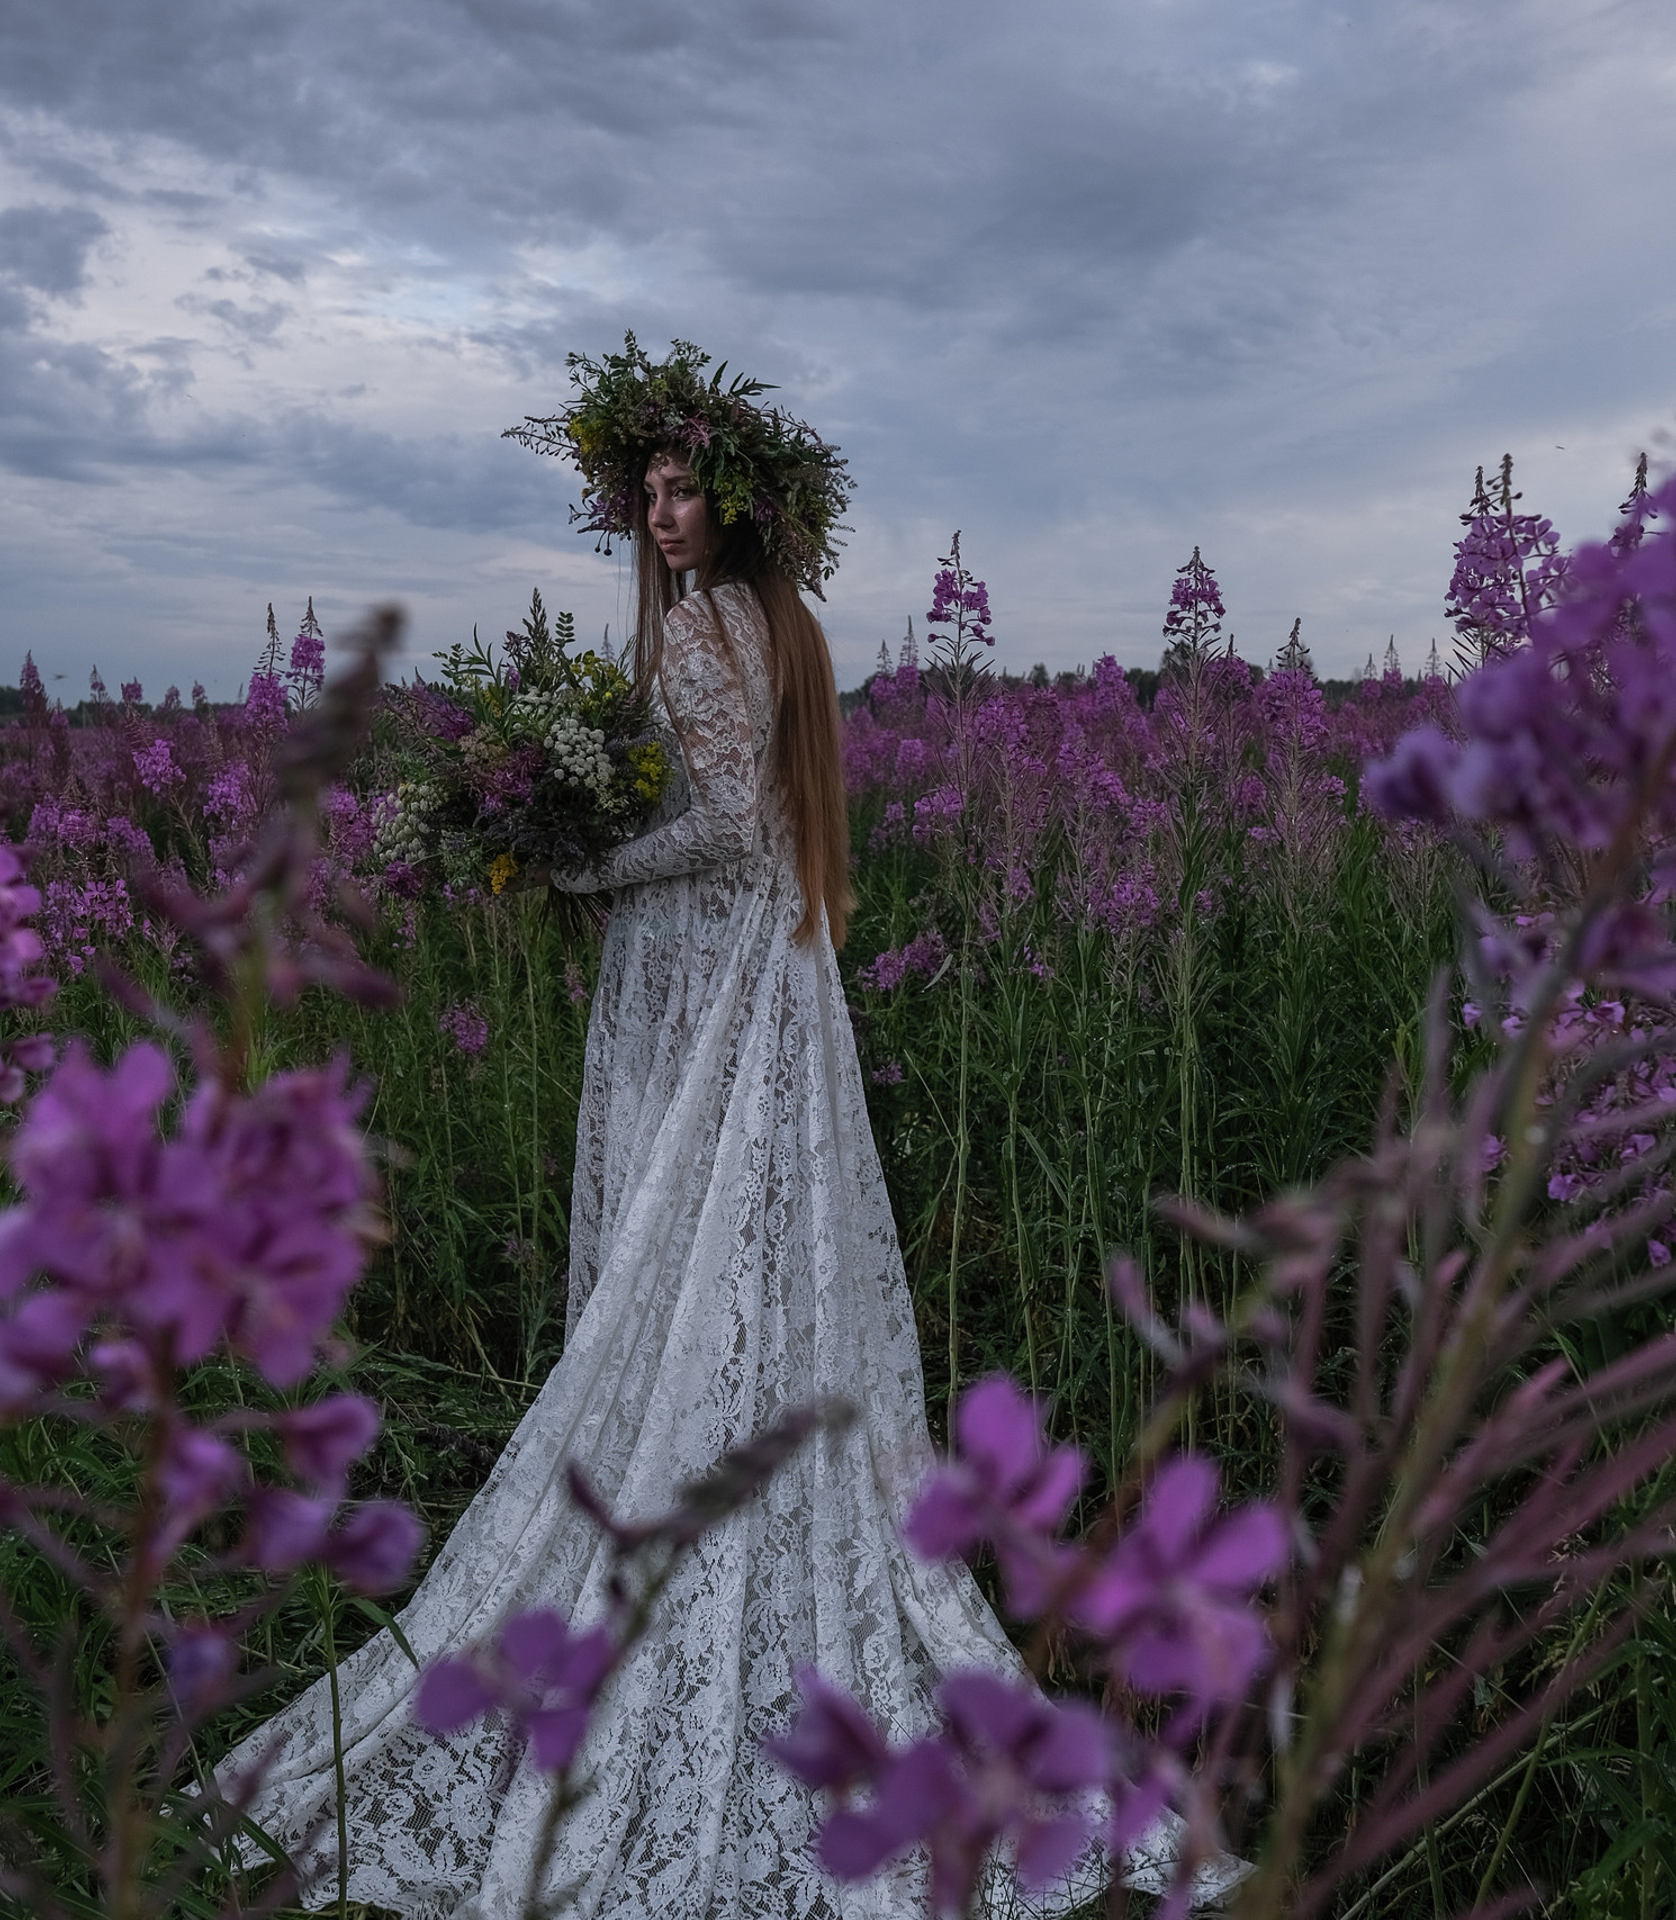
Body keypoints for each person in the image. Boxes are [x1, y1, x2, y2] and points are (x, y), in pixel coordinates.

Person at [222, 340, 1209, 1918]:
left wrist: (576, 864)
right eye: (649, 495)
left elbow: (729, 827)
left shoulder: (702, 630)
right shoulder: (789, 630)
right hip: (778, 970)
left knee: (676, 1253)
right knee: (746, 1247)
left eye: (684, 492)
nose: (664, 516)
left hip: (705, 968)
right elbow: (775, 825)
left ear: (734, 509)